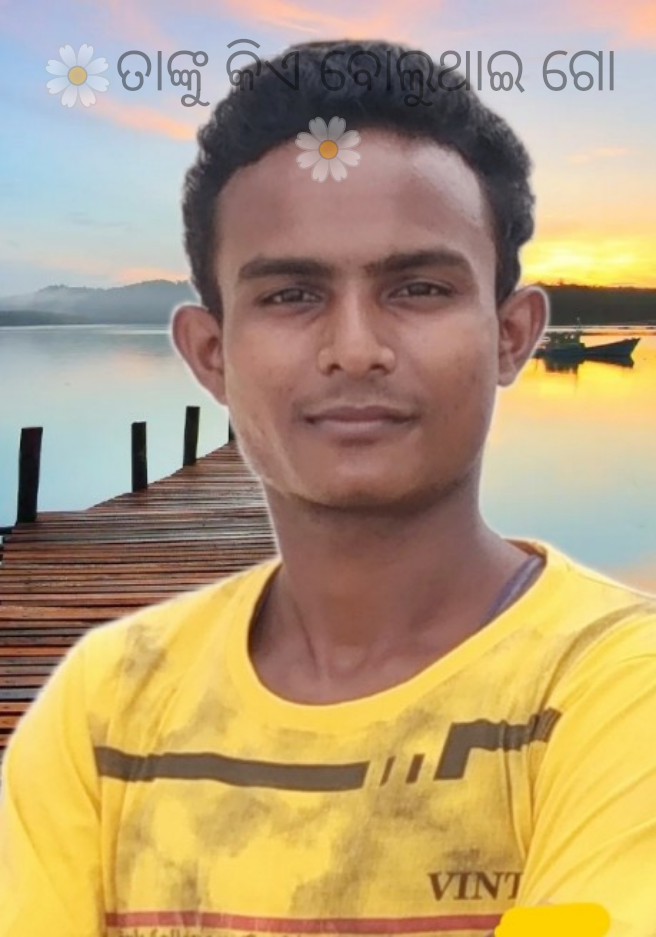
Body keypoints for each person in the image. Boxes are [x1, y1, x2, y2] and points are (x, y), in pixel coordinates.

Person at [1, 38, 655, 937]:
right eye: (291, 295)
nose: (354, 349)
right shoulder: (105, 705)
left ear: (511, 335)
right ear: (211, 354)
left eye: (417, 287)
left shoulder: (615, 691)